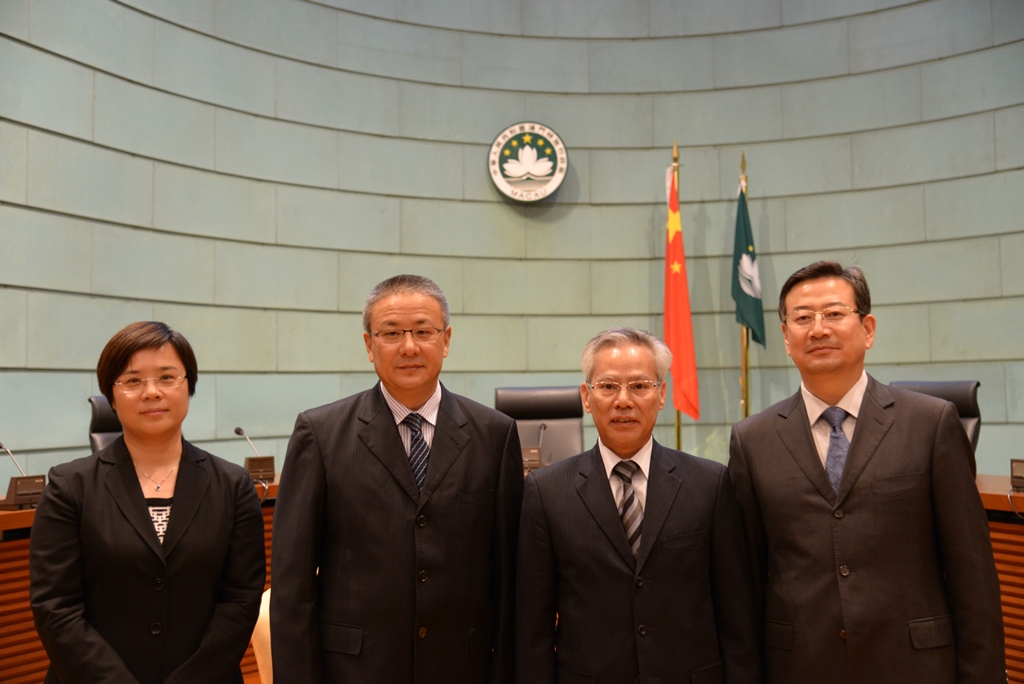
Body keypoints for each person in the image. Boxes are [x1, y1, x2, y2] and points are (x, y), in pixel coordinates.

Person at [728, 261, 1005, 683]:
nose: (818, 329)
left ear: (868, 329)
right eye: (802, 318)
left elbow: (974, 579)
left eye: (835, 314)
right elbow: (744, 585)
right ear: (786, 337)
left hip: (916, 667)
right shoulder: (753, 440)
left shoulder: (931, 424)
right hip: (800, 667)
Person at [271, 274, 524, 683]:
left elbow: (510, 580)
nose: (409, 346)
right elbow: (291, 586)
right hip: (356, 670)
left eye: (423, 331)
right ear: (370, 345)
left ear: (446, 340)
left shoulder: (495, 434)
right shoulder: (320, 433)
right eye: (391, 333)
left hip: (463, 668)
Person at [516, 326, 760, 684]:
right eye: (608, 386)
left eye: (640, 386)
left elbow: (737, 622)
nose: (624, 400)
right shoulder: (547, 492)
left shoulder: (710, 484)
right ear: (586, 396)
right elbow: (532, 632)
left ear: (662, 395)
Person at [30, 321, 266, 684]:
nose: (151, 392)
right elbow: (55, 608)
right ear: (111, 395)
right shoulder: (69, 486)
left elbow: (241, 599)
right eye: (133, 380)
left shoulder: (232, 485)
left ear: (189, 386)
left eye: (167, 377)